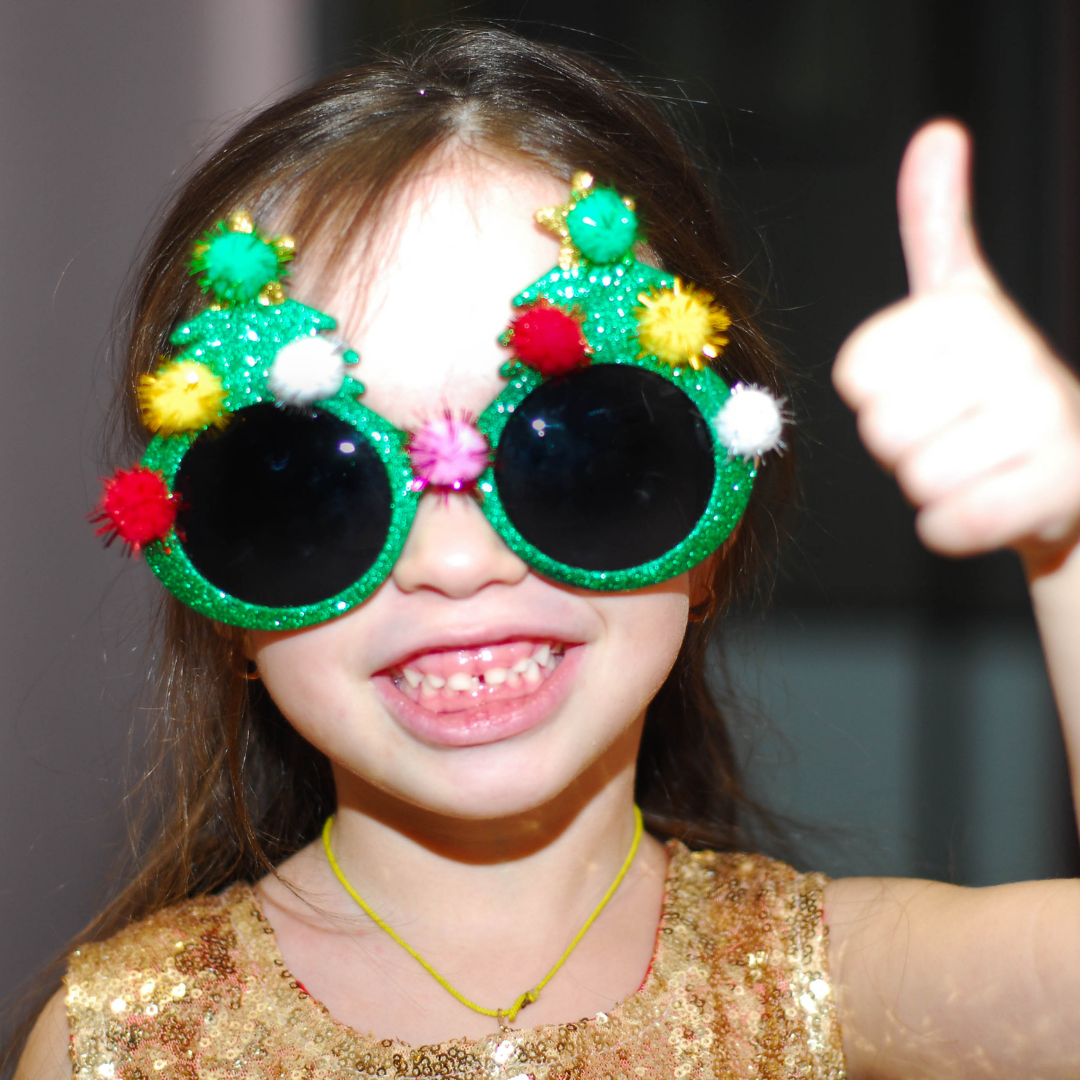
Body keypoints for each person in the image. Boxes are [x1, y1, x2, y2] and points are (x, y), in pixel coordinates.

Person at [12, 25, 1080, 1080]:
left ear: (711, 525)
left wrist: (1070, 538)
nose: (458, 563)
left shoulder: (847, 990)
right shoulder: (113, 1046)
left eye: (585, 453)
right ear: (219, 594)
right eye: (308, 487)